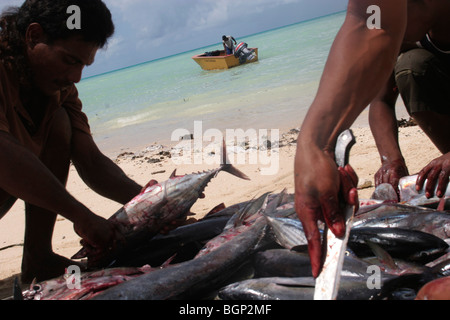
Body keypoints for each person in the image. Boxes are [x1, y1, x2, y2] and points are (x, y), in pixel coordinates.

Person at [294, 0, 450, 278]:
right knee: (411, 65)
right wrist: (317, 147)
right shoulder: (409, 32)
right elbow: (380, 94)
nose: (385, 24)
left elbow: (374, 25)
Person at [0, 0, 144, 283]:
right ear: (34, 36)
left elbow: (91, 162)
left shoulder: (59, 91)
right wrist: (83, 217)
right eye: (70, 60)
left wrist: (155, 203)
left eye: (84, 65)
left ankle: (38, 257)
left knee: (59, 123)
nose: (75, 77)